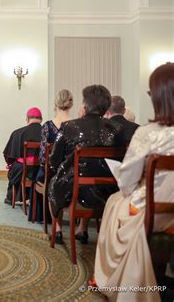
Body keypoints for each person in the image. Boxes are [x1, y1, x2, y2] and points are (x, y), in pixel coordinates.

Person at [94, 63, 174, 302]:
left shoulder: (148, 133)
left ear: (158, 96)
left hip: (156, 213)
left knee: (115, 201)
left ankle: (113, 276)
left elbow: (127, 182)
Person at [48, 85, 123, 245]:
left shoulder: (70, 127)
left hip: (74, 190)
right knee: (92, 175)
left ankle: (58, 230)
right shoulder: (116, 130)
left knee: (55, 182)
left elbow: (54, 160)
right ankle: (82, 229)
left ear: (86, 105)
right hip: (108, 192)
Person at [28, 89, 73, 222]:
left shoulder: (47, 126)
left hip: (51, 173)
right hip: (71, 173)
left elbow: (43, 158)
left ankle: (49, 220)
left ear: (55, 104)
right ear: (71, 104)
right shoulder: (76, 126)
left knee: (38, 176)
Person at [3, 107, 42, 205]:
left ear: (27, 119)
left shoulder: (18, 133)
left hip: (23, 168)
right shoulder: (48, 133)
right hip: (42, 168)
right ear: (41, 119)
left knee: (15, 169)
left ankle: (11, 197)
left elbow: (9, 156)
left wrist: (10, 164)